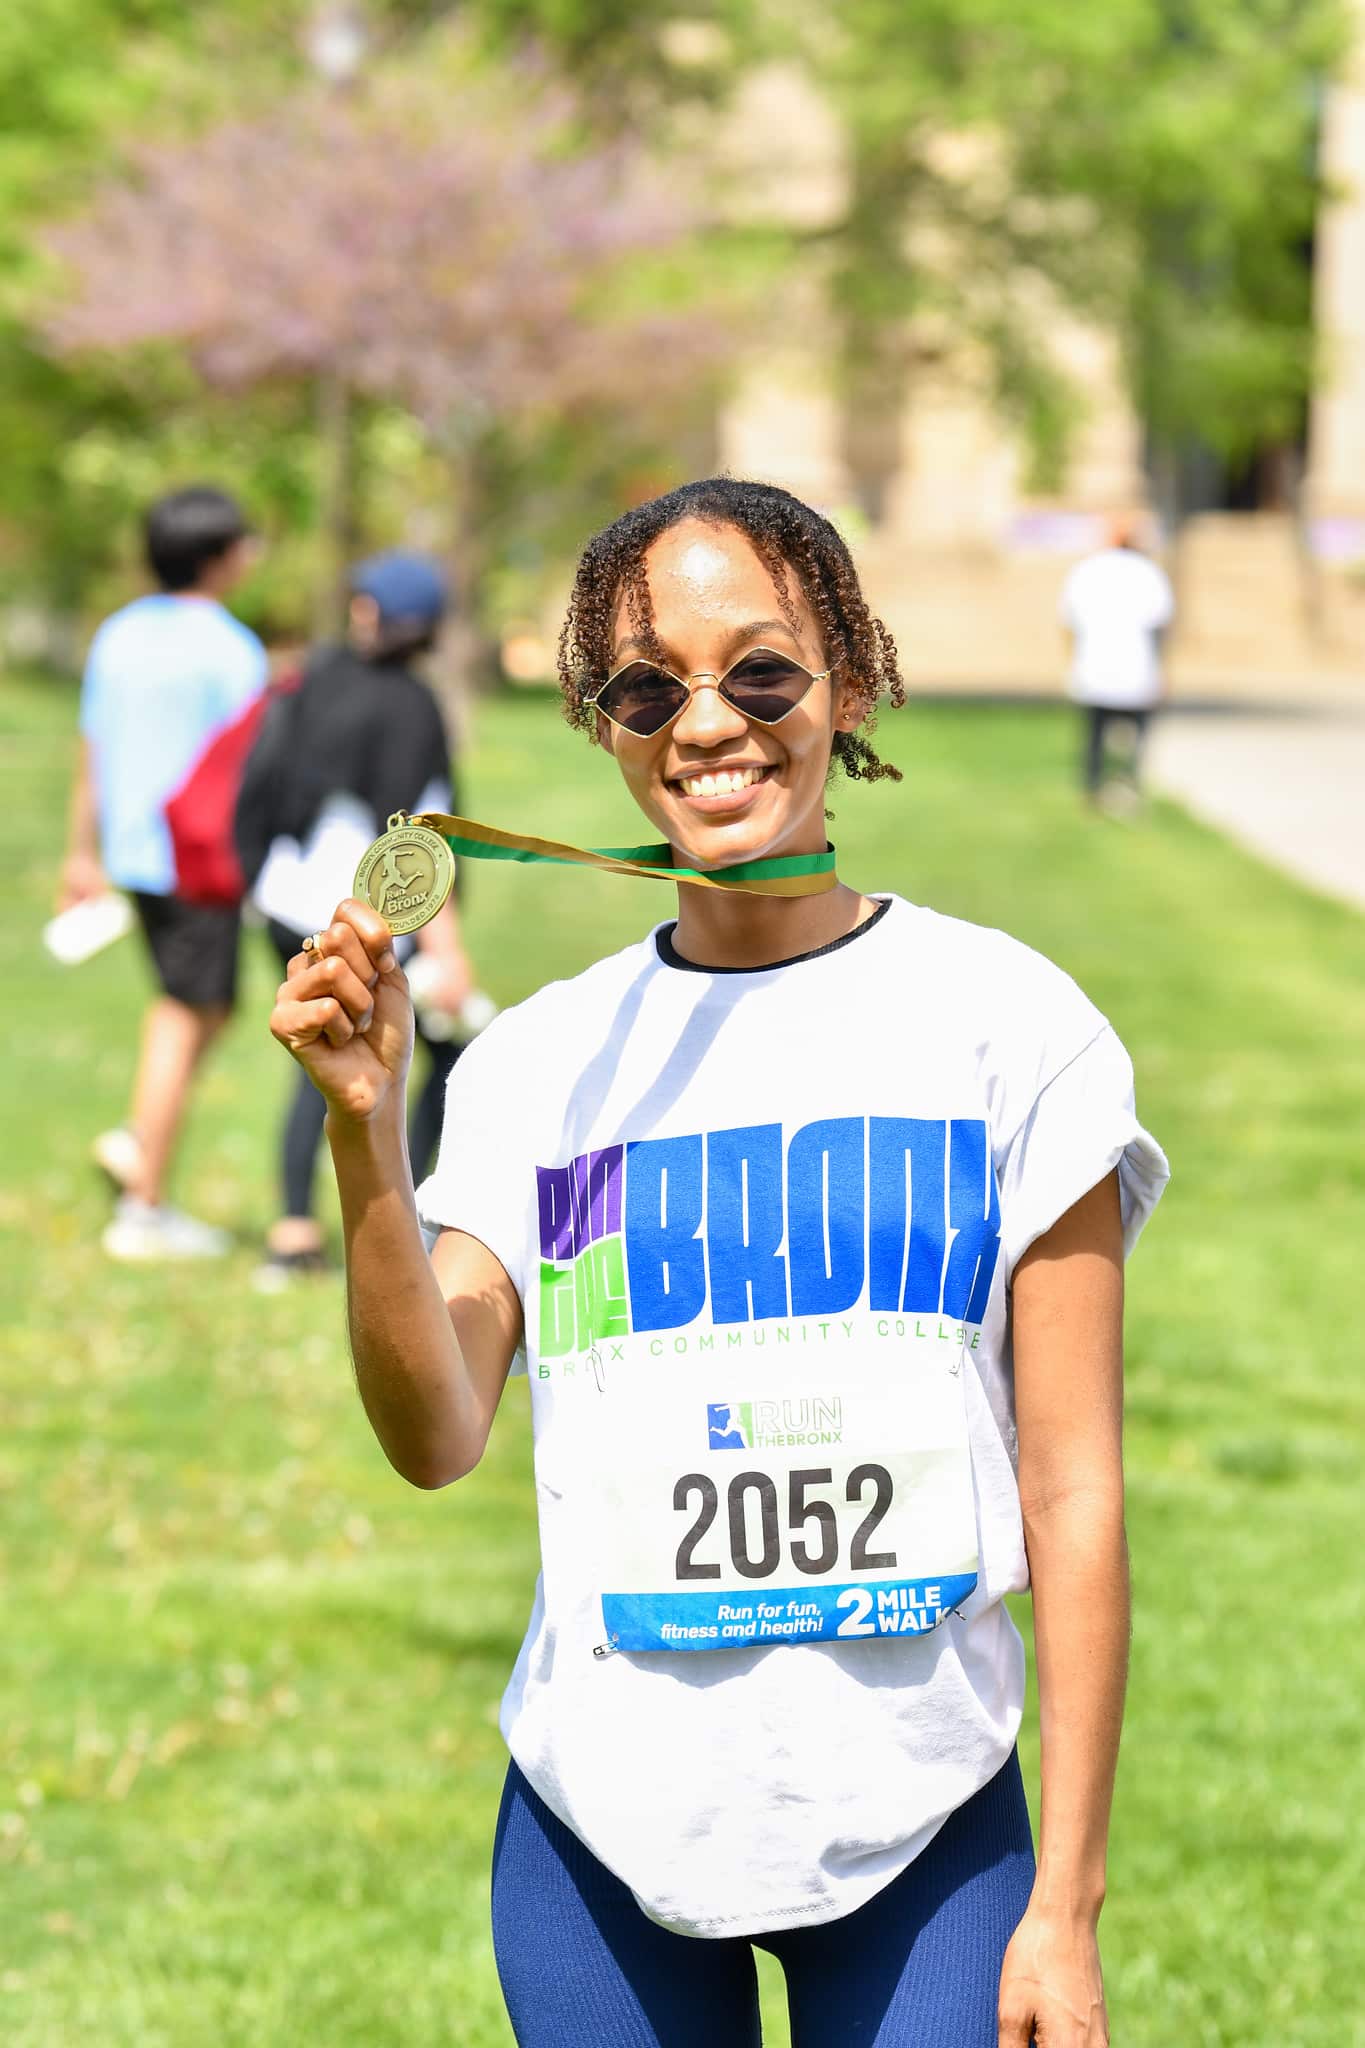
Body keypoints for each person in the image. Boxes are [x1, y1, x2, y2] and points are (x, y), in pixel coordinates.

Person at [270, 478, 1168, 2046]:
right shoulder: (537, 1066)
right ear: (602, 726)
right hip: (595, 1826)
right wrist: (366, 1138)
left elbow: (1076, 1489)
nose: (707, 723)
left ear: (852, 683)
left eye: (761, 671)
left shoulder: (1009, 1026)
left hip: (925, 1823)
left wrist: (1065, 1906)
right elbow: (435, 1435)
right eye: (646, 688)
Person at [241, 550, 473, 1289]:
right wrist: (449, 950)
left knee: (317, 1054)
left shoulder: (316, 678)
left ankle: (294, 1227)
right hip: (362, 915)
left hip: (283, 900)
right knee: (408, 1059)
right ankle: (405, 1221)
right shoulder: (411, 706)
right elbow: (419, 845)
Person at [62, 485, 266, 1260]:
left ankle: (138, 1138)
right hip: (199, 861)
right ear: (216, 556)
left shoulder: (119, 635)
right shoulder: (229, 648)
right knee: (185, 1015)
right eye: (243, 542)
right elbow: (252, 768)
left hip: (135, 857)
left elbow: (93, 749)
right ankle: (142, 1209)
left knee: (201, 1008)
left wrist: (81, 852)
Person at [1060, 515, 1174, 810]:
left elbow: (1069, 623)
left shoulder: (1087, 571)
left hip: (1095, 667)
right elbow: (1160, 626)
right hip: (1134, 668)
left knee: (1095, 736)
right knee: (1133, 737)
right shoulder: (1147, 572)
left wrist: (1071, 660)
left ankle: (1094, 791)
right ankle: (1127, 787)